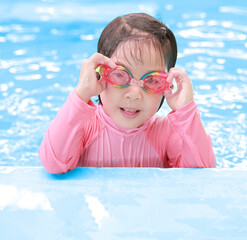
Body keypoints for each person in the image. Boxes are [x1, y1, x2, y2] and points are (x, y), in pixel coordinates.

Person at [39, 13, 216, 174]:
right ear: (100, 73)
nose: (134, 94)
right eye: (120, 75)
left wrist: (186, 112)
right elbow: (53, 164)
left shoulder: (167, 133)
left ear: (167, 84)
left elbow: (202, 175)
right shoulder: (83, 127)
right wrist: (81, 94)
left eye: (152, 80)